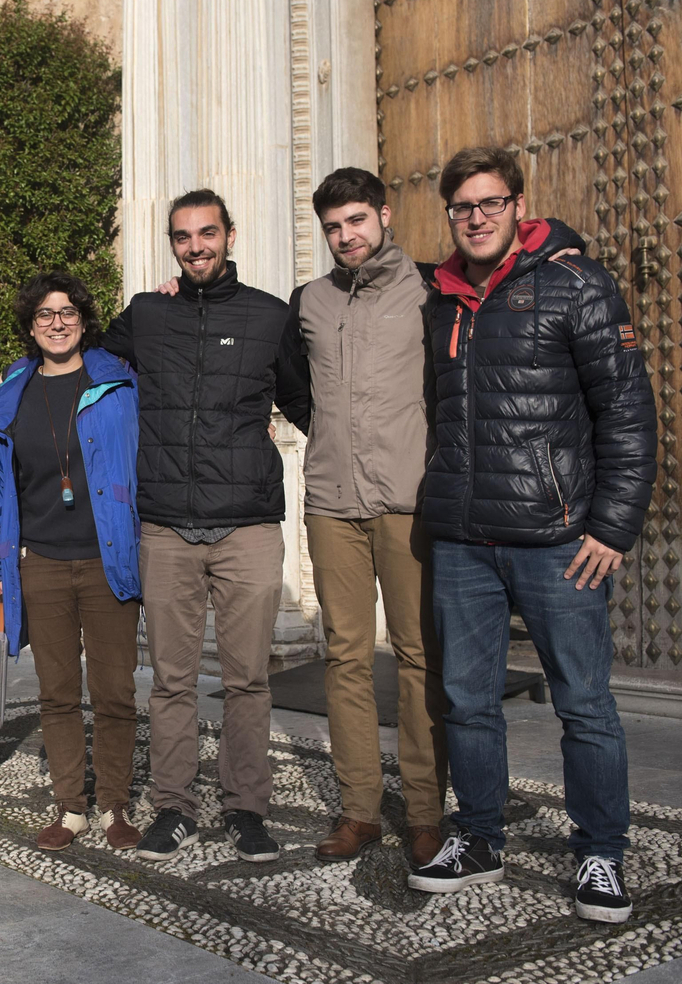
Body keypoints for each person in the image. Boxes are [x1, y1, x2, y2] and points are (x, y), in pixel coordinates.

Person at [406, 146, 654, 926]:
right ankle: (478, 837)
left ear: (518, 205)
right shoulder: (439, 300)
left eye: (489, 203)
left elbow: (626, 412)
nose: (475, 218)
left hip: (556, 539)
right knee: (466, 701)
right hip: (460, 539)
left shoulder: (576, 285)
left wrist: (613, 524)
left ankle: (602, 855)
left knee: (584, 703)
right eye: (461, 208)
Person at [101, 189, 309, 863]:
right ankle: (173, 807)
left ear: (231, 234)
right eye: (183, 237)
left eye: (207, 233)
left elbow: (311, 406)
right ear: (171, 245)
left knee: (249, 678)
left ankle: (246, 809)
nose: (196, 246)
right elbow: (80, 363)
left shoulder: (270, 318)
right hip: (165, 527)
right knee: (171, 680)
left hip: (247, 526)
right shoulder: (146, 316)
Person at [278, 167, 449, 868]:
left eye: (356, 220)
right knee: (345, 657)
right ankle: (359, 810)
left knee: (416, 655)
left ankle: (426, 810)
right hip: (331, 501)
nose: (346, 236)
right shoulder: (310, 301)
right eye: (333, 227)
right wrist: (324, 434)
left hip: (410, 499)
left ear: (384, 214)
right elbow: (291, 380)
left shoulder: (433, 289)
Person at [0, 272, 143, 851]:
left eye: (67, 311)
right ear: (30, 325)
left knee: (116, 690)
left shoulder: (120, 383)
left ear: (83, 319)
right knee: (57, 691)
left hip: (108, 559)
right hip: (40, 564)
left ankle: (115, 804)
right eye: (45, 313)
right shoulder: (9, 397)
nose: (57, 321)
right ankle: (72, 805)